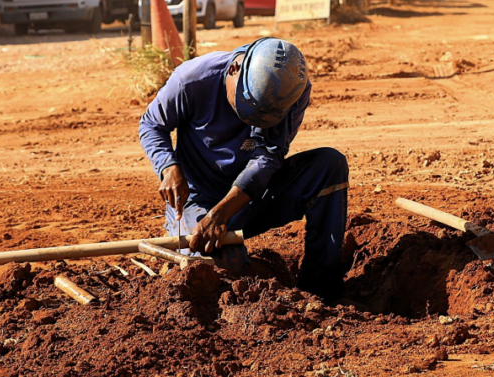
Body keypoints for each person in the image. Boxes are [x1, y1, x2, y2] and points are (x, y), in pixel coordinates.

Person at [138, 37, 349, 299]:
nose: (256, 121)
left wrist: (223, 213)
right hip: (197, 199)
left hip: (253, 195)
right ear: (234, 71)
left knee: (328, 166)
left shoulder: (292, 90)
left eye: (267, 116)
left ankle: (321, 290)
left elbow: (268, 156)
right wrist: (168, 166)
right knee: (219, 266)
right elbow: (151, 125)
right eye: (249, 108)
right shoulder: (191, 80)